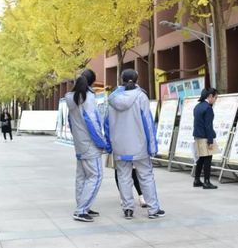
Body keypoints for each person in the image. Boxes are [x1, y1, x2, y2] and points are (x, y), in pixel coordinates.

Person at [105, 69, 165, 220]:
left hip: (120, 145)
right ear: (137, 80)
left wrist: (109, 144)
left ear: (121, 80)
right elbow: (148, 123)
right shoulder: (141, 97)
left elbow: (106, 124)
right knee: (146, 176)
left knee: (124, 177)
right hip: (139, 144)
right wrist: (152, 146)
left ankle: (128, 209)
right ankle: (153, 209)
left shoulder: (112, 99)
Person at [65, 69, 108, 223]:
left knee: (82, 176)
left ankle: (83, 206)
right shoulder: (87, 98)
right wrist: (102, 142)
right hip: (90, 144)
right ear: (91, 82)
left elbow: (71, 123)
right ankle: (81, 209)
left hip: (79, 143)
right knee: (95, 176)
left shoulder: (72, 99)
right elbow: (93, 122)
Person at [192, 87, 219, 189]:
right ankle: (207, 181)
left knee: (201, 158)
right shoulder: (208, 108)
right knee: (208, 158)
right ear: (210, 96)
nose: (215, 100)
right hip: (205, 136)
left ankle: (197, 179)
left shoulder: (197, 107)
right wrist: (210, 140)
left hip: (197, 136)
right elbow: (208, 125)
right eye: (215, 97)